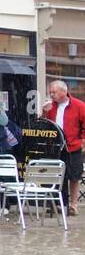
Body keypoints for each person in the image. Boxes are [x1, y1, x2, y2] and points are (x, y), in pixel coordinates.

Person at [43, 80, 85, 215]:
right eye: (50, 92)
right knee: (57, 175)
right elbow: (43, 126)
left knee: (74, 175)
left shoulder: (79, 106)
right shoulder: (51, 107)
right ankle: (59, 203)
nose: (52, 95)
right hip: (55, 147)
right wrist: (44, 113)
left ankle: (73, 204)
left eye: (54, 92)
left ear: (64, 91)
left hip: (73, 146)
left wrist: (82, 142)